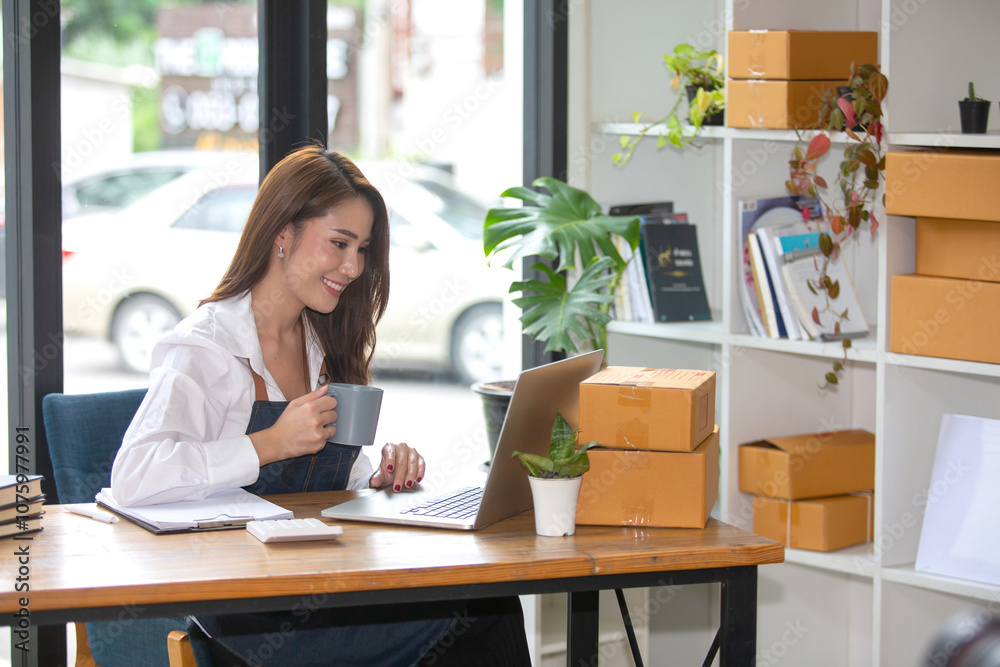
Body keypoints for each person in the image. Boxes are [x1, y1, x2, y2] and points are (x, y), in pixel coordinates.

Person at [111, 144, 529, 666]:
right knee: (481, 611)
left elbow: (328, 481)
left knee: (488, 601)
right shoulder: (207, 347)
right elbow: (134, 474)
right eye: (339, 243)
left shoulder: (322, 341)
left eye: (363, 249)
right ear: (282, 233)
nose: (353, 267)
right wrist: (270, 443)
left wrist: (377, 478)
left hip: (321, 581)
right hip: (249, 609)